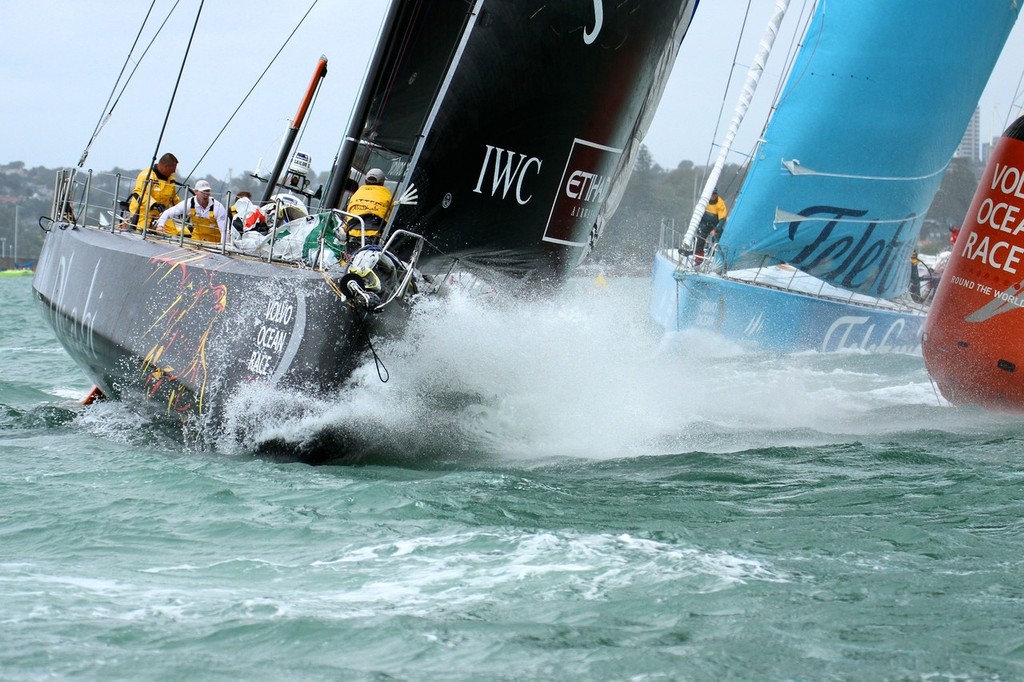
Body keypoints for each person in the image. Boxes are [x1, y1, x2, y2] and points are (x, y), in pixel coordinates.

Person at [154, 179, 228, 243]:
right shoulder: (189, 203)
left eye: (207, 191)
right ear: (195, 192)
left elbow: (225, 230)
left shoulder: (218, 207)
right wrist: (160, 225)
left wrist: (222, 247)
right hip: (197, 240)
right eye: (203, 192)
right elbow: (167, 213)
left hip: (215, 244)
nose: (206, 194)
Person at [126, 152, 180, 230]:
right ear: (165, 167)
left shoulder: (171, 178)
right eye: (173, 169)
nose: (174, 171)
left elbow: (174, 197)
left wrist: (182, 208)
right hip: (142, 215)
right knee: (141, 231)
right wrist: (154, 205)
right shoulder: (146, 175)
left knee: (181, 232)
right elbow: (139, 193)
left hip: (161, 216)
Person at [343, 168, 393, 252]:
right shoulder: (387, 195)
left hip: (352, 235)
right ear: (382, 183)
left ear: (366, 181)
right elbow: (392, 217)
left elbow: (348, 215)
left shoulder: (356, 194)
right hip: (374, 236)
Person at [695, 187, 728, 260]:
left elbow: (722, 219)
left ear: (717, 194)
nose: (713, 195)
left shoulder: (720, 203)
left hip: (715, 225)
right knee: (700, 240)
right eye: (711, 193)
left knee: (716, 242)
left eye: (714, 193)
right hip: (704, 224)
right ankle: (698, 260)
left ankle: (714, 259)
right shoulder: (704, 201)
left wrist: (716, 230)